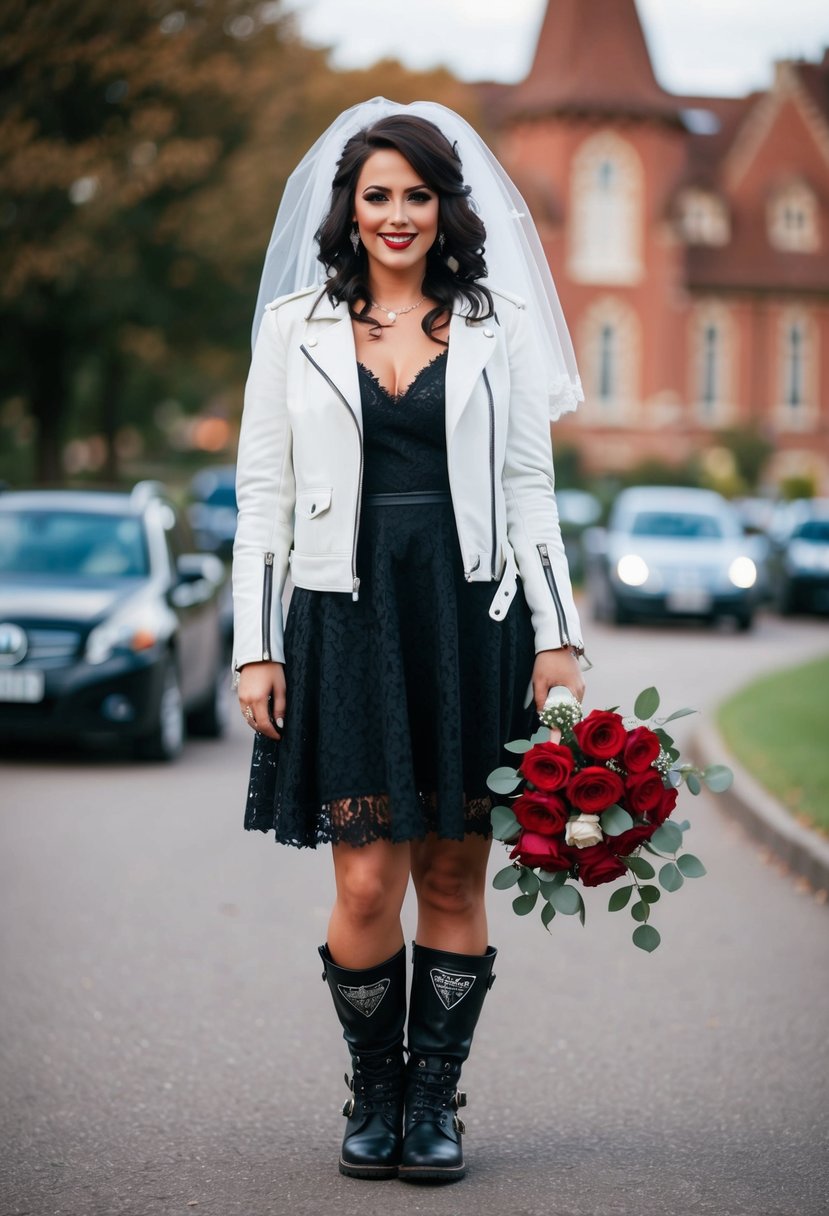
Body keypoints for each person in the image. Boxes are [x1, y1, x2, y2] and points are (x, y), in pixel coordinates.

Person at [232, 98, 586, 1185]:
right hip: (341, 616)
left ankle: (434, 1100)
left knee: (448, 869)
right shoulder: (294, 325)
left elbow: (529, 487)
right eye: (377, 195)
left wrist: (557, 637)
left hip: (470, 618)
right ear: (349, 207)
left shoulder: (495, 323)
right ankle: (371, 1089)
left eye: (416, 196)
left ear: (444, 209)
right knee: (362, 882)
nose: (396, 215)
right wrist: (256, 642)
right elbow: (262, 494)